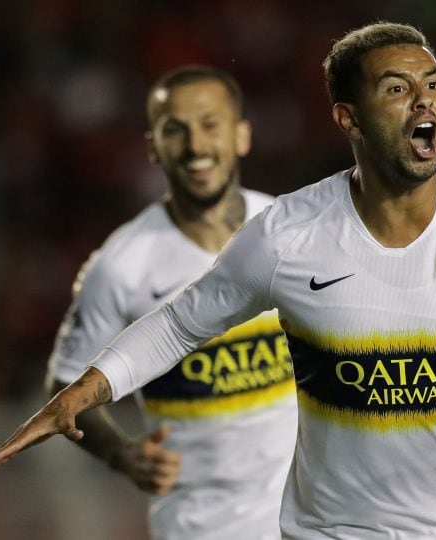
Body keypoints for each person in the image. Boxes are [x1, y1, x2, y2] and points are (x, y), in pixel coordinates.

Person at [0, 23, 436, 539]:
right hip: (336, 532)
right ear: (349, 117)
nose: (424, 99)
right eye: (397, 88)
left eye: (433, 84)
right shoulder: (289, 236)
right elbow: (183, 321)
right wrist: (85, 392)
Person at [41, 65, 297, 540]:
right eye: (175, 130)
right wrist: (123, 454)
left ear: (242, 135)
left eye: (210, 125)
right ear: (154, 148)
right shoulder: (121, 267)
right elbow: (64, 386)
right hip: (200, 529)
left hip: (314, 524)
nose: (196, 146)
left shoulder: (292, 231)